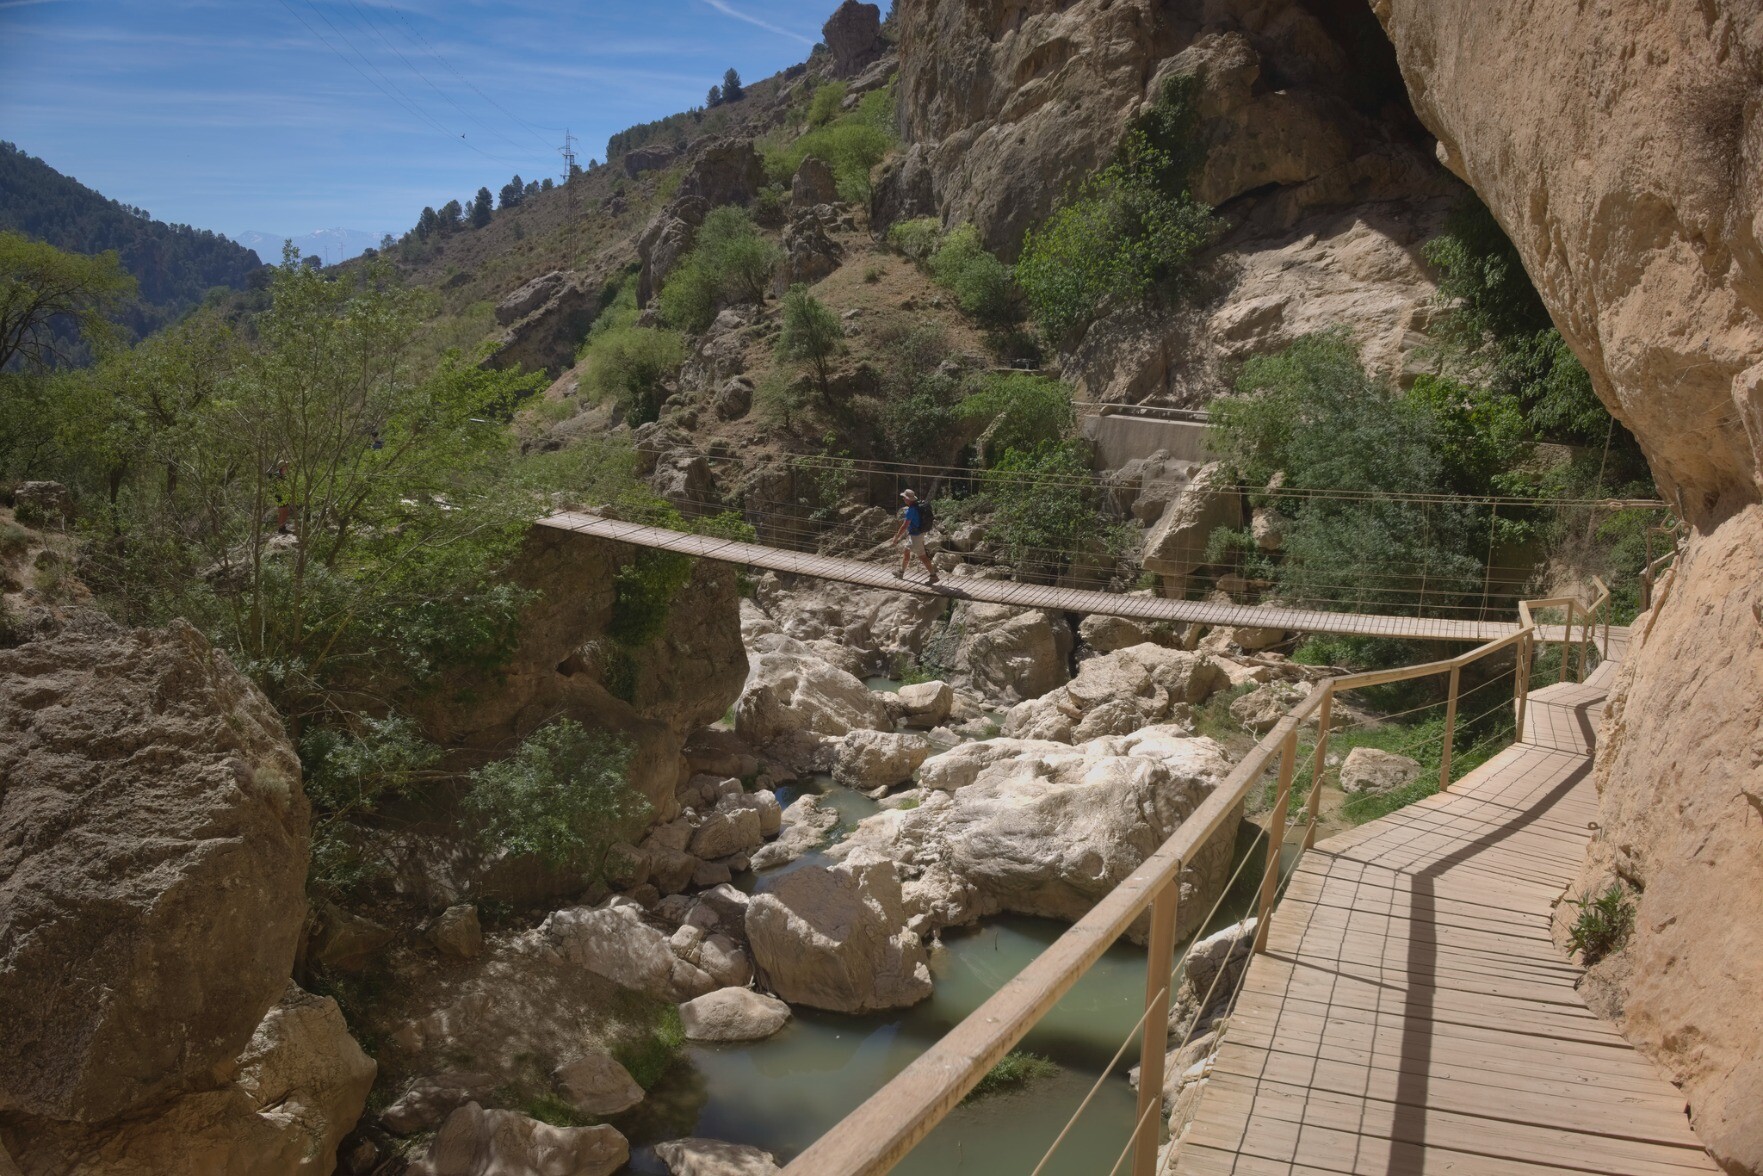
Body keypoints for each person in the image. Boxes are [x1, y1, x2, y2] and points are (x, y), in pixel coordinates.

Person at [893, 489, 938, 585]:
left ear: (908, 499)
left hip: (916, 536)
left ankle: (933, 576)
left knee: (922, 557)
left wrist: (897, 537)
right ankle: (901, 572)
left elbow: (904, 526)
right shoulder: (917, 506)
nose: (903, 499)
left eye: (904, 497)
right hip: (917, 533)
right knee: (906, 551)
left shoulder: (911, 510)